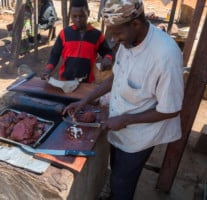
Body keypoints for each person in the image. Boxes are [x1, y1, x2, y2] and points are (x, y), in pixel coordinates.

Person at [63, 0, 184, 199]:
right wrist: (85, 100)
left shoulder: (166, 55)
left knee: (123, 180)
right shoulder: (129, 40)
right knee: (116, 170)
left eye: (117, 33)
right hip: (119, 123)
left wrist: (126, 120)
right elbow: (116, 77)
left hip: (140, 135)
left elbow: (171, 109)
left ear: (135, 24)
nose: (113, 39)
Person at [41, 0, 113, 83]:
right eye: (74, 16)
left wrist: (108, 58)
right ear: (70, 15)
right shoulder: (64, 33)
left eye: (81, 16)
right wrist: (48, 69)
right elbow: (55, 54)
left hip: (87, 83)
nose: (78, 20)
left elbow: (108, 52)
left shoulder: (97, 35)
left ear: (88, 13)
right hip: (65, 81)